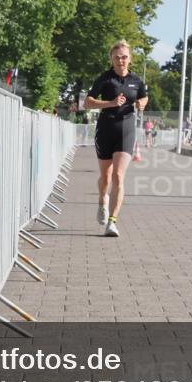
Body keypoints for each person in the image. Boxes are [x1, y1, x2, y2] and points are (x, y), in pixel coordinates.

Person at [84, 40, 148, 237]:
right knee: (106, 177)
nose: (121, 61)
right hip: (105, 129)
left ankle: (112, 222)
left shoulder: (136, 80)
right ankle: (102, 199)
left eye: (124, 57)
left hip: (126, 129)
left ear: (130, 59)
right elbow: (87, 103)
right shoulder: (105, 79)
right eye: (117, 57)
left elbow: (144, 96)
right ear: (111, 59)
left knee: (118, 176)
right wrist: (110, 103)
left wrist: (142, 103)